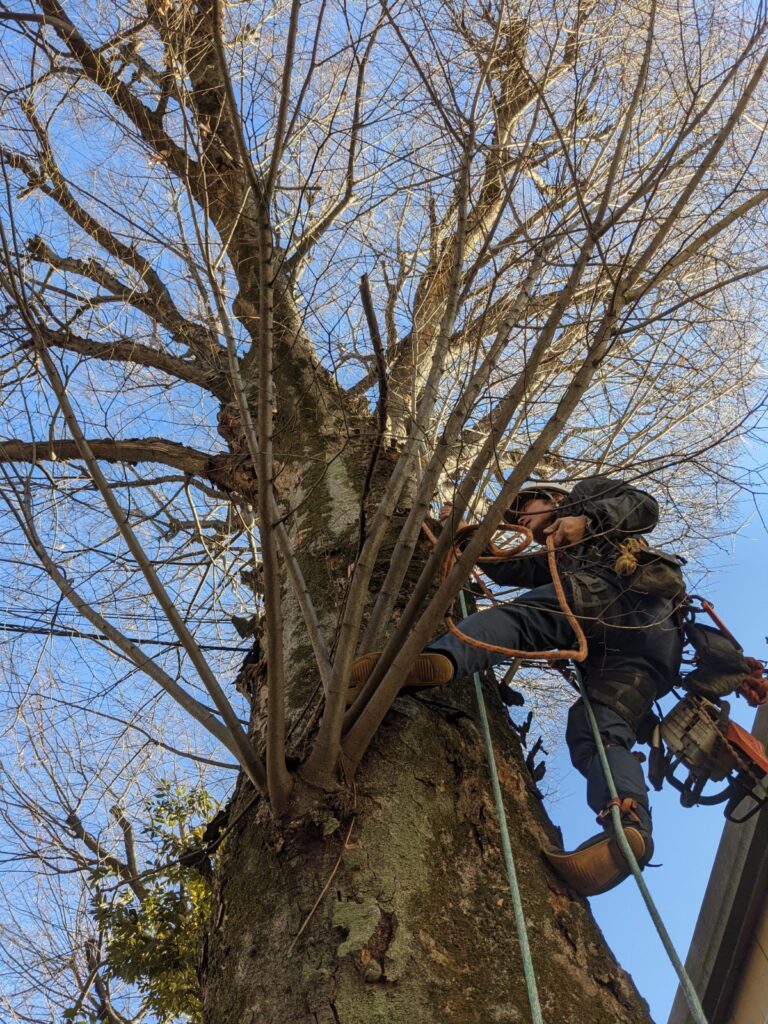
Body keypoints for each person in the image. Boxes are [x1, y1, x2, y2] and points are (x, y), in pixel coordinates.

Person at [350, 476, 683, 896]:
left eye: (527, 509)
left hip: (616, 593)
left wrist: (587, 516)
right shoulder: (555, 557)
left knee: (522, 620)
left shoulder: (585, 498)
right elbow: (504, 566)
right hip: (647, 650)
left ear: (555, 499)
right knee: (597, 732)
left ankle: (434, 660)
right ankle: (628, 828)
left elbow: (643, 506)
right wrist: (460, 535)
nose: (523, 520)